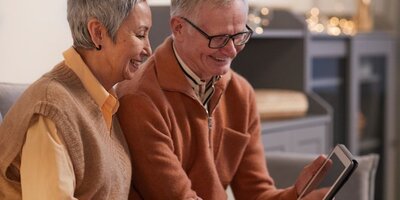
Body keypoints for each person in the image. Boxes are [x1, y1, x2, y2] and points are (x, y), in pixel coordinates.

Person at [117, 0, 327, 199]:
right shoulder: (140, 100)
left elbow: (256, 194)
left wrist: (296, 195)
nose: (232, 50)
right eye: (218, 38)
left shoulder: (241, 93)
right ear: (179, 28)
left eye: (239, 36)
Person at [0, 0, 151, 199]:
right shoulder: (51, 109)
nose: (148, 49)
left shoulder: (104, 101)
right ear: (97, 33)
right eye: (140, 35)